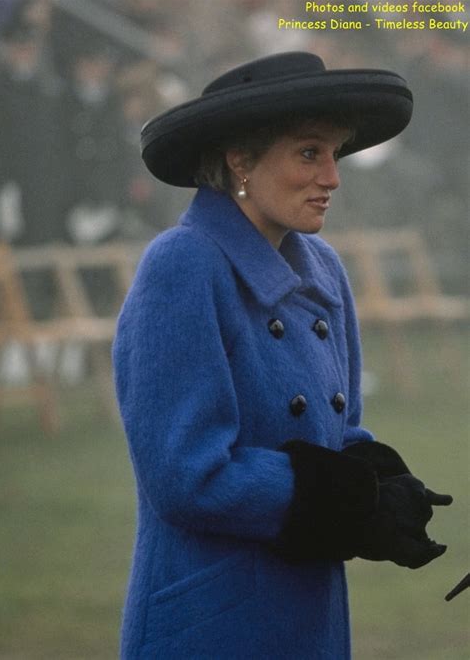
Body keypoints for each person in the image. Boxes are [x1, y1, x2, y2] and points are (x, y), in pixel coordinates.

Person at [113, 52, 452, 659]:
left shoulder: (323, 267)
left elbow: (338, 433)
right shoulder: (182, 265)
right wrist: (351, 502)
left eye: (335, 154)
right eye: (309, 153)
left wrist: (385, 485)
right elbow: (189, 477)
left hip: (311, 612)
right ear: (240, 160)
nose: (333, 177)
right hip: (214, 623)